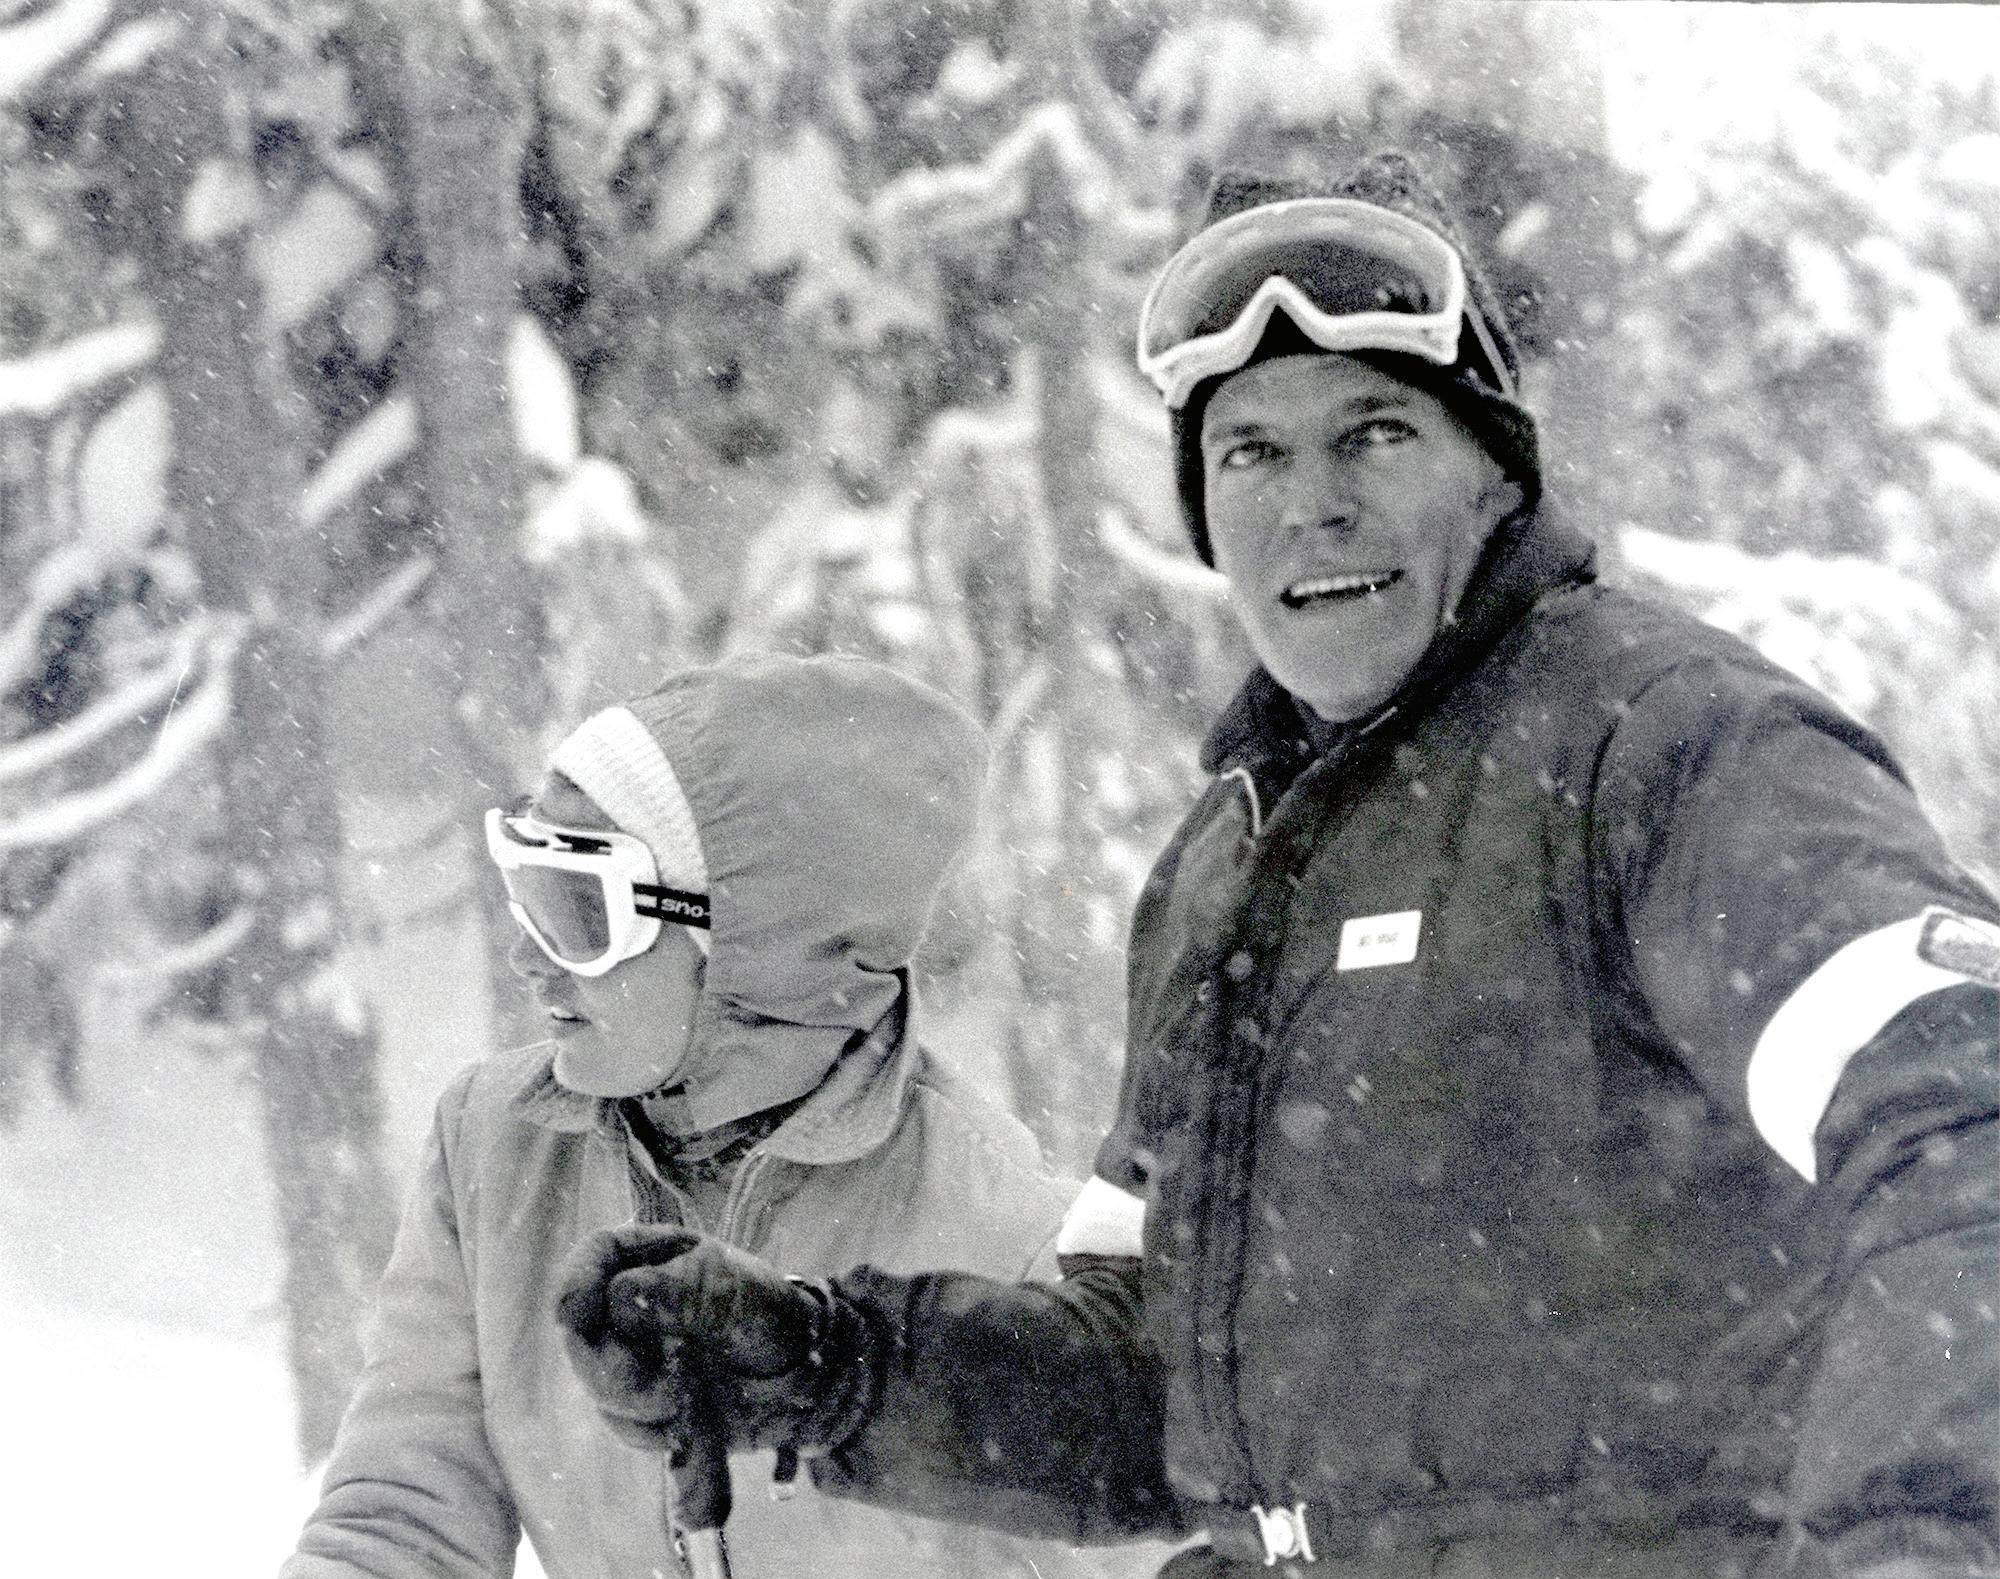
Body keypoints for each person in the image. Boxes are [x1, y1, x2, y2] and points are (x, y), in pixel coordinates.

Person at [551, 152, 2000, 1577]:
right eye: (1251, 451)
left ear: (1494, 475)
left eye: (1375, 432)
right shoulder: (1224, 866)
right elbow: (1154, 1383)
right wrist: (833, 1365)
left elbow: (1963, 1119)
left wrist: (1921, 1533)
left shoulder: (1663, 748)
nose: (1314, 503)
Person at [282, 651, 1128, 1579]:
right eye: (524, 889)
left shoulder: (1009, 1242)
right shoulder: (496, 1149)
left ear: (753, 945)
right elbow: (403, 1524)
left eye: (578, 909)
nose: (530, 960)